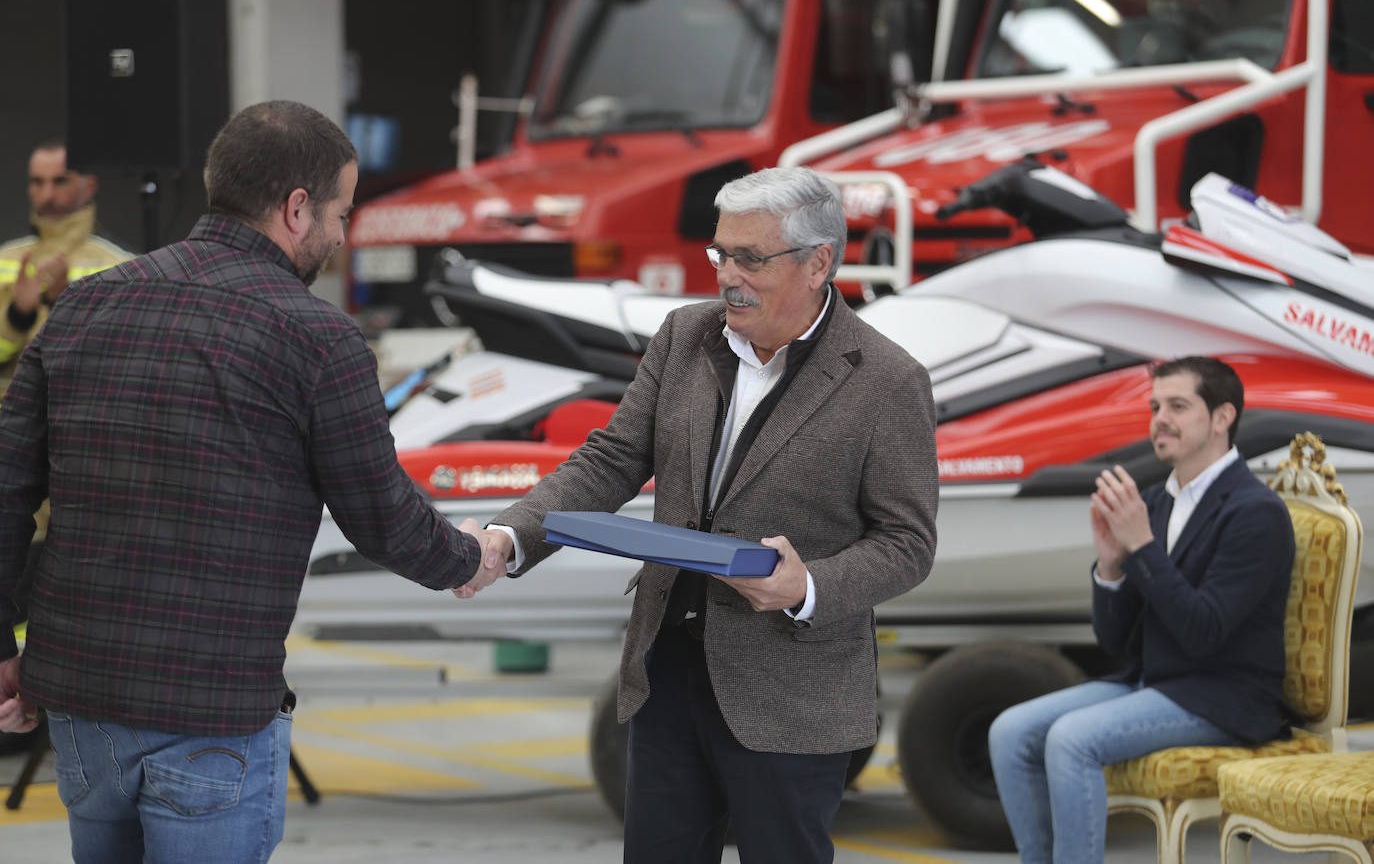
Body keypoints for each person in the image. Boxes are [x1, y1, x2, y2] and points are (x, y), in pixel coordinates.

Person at [0, 100, 504, 864]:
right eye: (340, 212)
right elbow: (381, 515)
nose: (341, 234)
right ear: (296, 208)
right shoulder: (318, 338)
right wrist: (470, 558)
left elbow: (6, 488)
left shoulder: (84, 305)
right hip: (212, 708)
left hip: (79, 701)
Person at [471, 167, 939, 864]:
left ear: (820, 263)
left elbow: (907, 542)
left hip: (792, 690)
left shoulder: (886, 380)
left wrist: (806, 587)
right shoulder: (685, 336)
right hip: (668, 676)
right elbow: (612, 459)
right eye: (721, 253)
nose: (727, 276)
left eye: (751, 258)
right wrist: (509, 536)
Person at [988, 356, 1297, 864]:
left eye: (1178, 405)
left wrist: (1143, 549)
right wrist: (1111, 567)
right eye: (1155, 406)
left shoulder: (1255, 511)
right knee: (1010, 732)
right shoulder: (1154, 502)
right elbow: (1117, 642)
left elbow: (1203, 633)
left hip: (1223, 696)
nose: (1160, 419)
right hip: (1154, 680)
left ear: (1222, 418)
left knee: (1071, 739)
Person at [0, 139, 132, 394]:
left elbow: (121, 362)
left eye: (60, 181)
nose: (47, 195)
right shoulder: (4, 259)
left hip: (78, 423)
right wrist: (18, 316)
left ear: (89, 186)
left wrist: (64, 303)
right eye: (37, 182)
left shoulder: (122, 266)